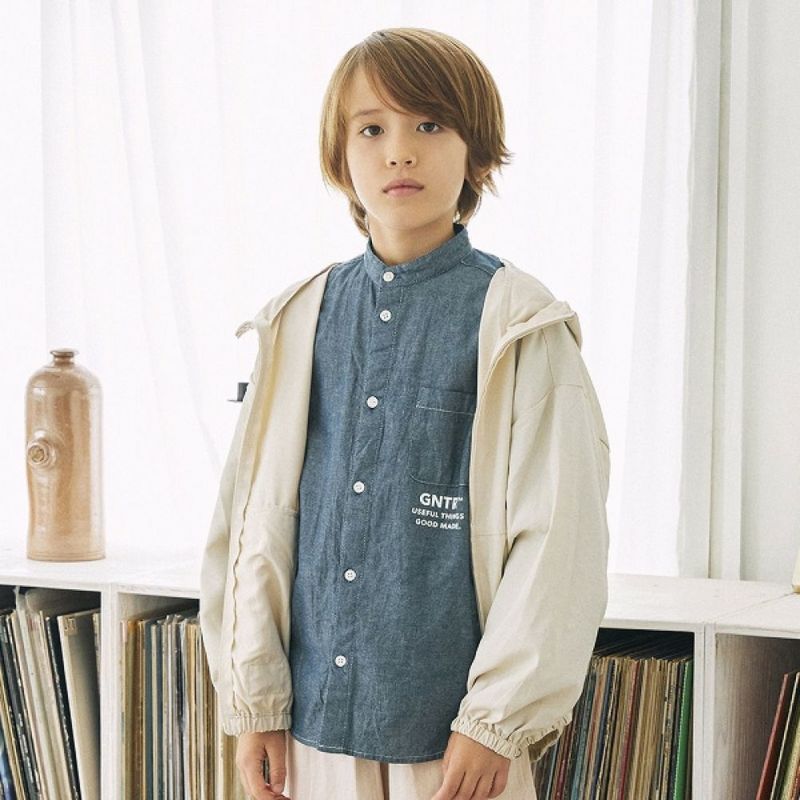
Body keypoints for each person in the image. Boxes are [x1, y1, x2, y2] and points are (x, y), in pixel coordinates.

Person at [199, 26, 611, 800]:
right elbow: (257, 524)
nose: (399, 153)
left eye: (429, 124)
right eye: (371, 129)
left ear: (476, 152)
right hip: (312, 730)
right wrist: (256, 701)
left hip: (454, 742)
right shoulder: (299, 319)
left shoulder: (520, 326)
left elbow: (559, 540)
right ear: (341, 158)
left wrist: (495, 719)